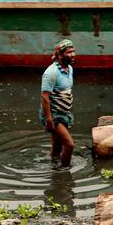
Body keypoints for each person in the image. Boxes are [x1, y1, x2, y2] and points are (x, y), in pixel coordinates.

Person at [40, 39, 75, 169]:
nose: (73, 55)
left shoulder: (69, 69)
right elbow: (44, 96)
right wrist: (49, 119)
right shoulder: (51, 73)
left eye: (73, 52)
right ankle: (64, 172)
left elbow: (65, 92)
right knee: (70, 145)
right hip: (54, 115)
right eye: (69, 52)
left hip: (63, 113)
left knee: (57, 146)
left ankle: (53, 167)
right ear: (60, 55)